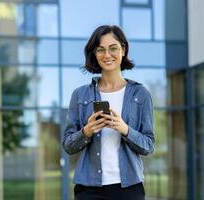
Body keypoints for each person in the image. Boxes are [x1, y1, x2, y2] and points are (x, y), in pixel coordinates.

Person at [62, 25, 155, 200]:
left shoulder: (140, 94)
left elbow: (148, 145)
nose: (107, 55)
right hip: (88, 189)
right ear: (94, 54)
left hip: (129, 187)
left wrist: (124, 129)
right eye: (100, 50)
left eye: (113, 48)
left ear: (123, 50)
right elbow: (68, 145)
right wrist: (87, 131)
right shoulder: (80, 95)